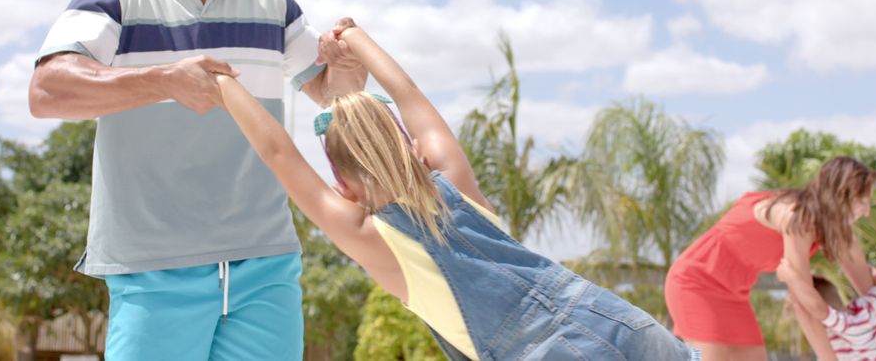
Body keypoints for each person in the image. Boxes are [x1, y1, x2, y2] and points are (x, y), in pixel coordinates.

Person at [28, 0, 365, 360]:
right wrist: (164, 80)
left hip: (266, 265)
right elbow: (48, 89)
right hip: (154, 267)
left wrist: (348, 71)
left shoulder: (270, 1)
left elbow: (331, 96)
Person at [214, 20, 699, 361]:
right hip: (616, 318)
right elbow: (409, 93)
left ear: (343, 185)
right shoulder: (454, 182)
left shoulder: (367, 234)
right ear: (408, 145)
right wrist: (354, 38)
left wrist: (220, 80)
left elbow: (278, 152)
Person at [664, 157, 876, 361]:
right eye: (862, 201)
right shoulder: (794, 217)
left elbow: (874, 295)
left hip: (734, 293)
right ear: (840, 196)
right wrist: (828, 359)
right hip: (695, 282)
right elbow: (802, 297)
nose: (867, 212)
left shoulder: (838, 232)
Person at [777, 261, 876, 361]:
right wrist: (860, 265)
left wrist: (791, 277)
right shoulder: (864, 308)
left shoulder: (845, 325)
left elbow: (818, 309)